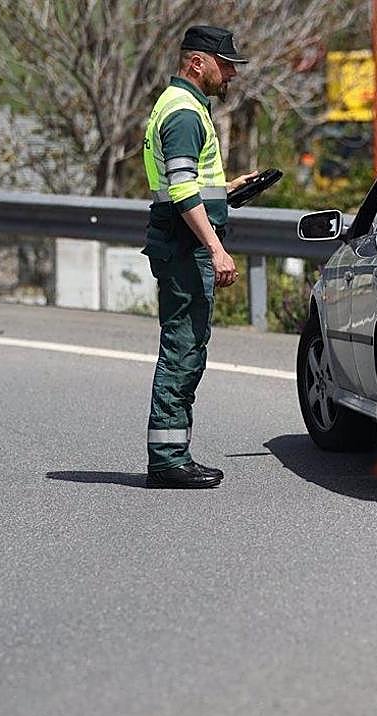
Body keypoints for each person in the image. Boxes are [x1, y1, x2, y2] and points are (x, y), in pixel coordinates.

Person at [141, 25, 258, 489]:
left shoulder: (182, 106)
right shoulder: (185, 112)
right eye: (225, 65)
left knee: (186, 346)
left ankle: (172, 455)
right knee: (182, 349)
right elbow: (182, 189)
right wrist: (216, 247)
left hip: (180, 243)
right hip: (185, 248)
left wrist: (226, 190)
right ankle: (169, 459)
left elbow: (188, 183)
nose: (231, 74)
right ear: (197, 63)